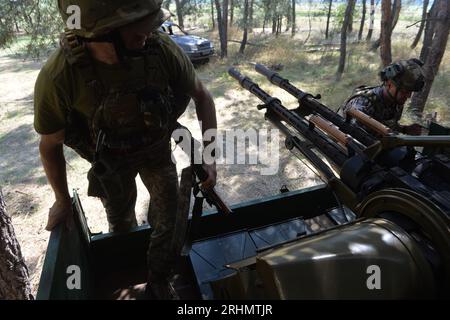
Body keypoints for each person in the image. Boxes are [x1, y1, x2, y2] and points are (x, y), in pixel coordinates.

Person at [33, 0, 217, 299]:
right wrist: (61, 200)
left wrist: (209, 157)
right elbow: (50, 145)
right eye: (136, 27)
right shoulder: (60, 76)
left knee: (167, 221)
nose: (148, 32)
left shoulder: (160, 50)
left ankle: (159, 279)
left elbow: (203, 97)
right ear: (100, 33)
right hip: (109, 163)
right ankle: (130, 277)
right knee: (121, 226)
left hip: (157, 151)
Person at [342, 58, 425, 135]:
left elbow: (387, 125)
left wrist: (404, 129)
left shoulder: (396, 102)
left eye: (410, 92)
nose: (408, 96)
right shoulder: (364, 102)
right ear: (389, 84)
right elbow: (352, 135)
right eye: (404, 91)